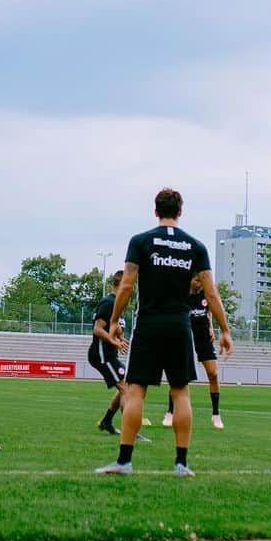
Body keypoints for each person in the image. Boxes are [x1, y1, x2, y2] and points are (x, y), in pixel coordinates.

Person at [96, 188, 232, 478]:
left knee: (135, 392)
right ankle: (181, 464)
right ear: (180, 211)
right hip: (179, 325)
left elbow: (127, 285)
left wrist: (115, 320)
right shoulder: (195, 246)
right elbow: (211, 291)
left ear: (155, 211)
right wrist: (225, 329)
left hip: (148, 323)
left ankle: (124, 461)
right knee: (181, 392)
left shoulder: (141, 241)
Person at [162, 272, 226, 430]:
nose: (199, 283)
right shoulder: (181, 293)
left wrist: (211, 325)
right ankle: (170, 412)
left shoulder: (206, 292)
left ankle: (216, 414)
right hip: (185, 335)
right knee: (179, 375)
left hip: (203, 335)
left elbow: (210, 310)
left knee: (213, 373)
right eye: (197, 280)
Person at [91, 270, 130, 434]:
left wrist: (119, 338)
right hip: (102, 354)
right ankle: (131, 432)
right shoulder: (108, 302)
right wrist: (114, 341)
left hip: (108, 354)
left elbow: (114, 326)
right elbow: (98, 329)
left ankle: (107, 421)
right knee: (125, 389)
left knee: (125, 385)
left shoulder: (117, 303)